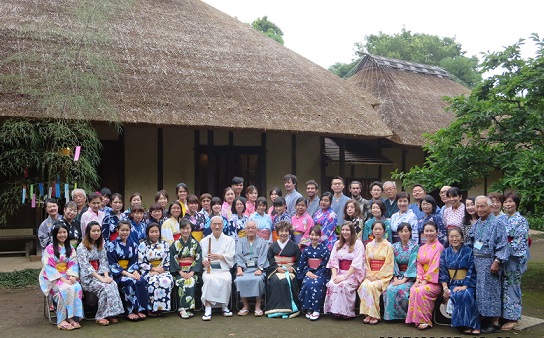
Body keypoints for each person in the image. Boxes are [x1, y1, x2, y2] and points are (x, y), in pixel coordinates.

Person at [470, 196, 508, 334]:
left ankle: (495, 322)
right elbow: (473, 241)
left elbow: (503, 245)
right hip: (478, 262)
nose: (479, 209)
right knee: (481, 291)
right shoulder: (477, 223)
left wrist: (497, 261)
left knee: (492, 291)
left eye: (483, 206)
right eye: (477, 206)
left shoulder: (497, 223)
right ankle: (485, 318)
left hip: (490, 262)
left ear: (490, 207)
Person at [76, 221, 124, 326]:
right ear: (88, 232)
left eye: (98, 230)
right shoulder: (81, 247)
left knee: (112, 284)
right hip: (88, 278)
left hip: (101, 274)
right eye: (93, 231)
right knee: (104, 287)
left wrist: (106, 277)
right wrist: (101, 279)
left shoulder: (100, 244)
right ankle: (100, 315)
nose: (96, 233)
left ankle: (110, 313)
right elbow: (86, 267)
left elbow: (104, 262)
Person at [39, 221, 83, 330]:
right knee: (65, 288)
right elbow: (48, 266)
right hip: (52, 277)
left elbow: (73, 263)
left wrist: (73, 276)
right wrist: (62, 279)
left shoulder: (71, 248)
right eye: (59, 233)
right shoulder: (49, 249)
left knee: (77, 287)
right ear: (54, 234)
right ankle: (61, 319)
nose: (62, 235)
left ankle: (72, 317)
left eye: (64, 232)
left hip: (67, 275)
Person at [439, 227, 480, 335]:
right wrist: (445, 288)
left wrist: (465, 286)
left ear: (462, 238)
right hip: (453, 283)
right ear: (448, 238)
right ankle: (462, 325)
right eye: (451, 236)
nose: (454, 239)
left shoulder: (469, 251)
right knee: (457, 294)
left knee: (466, 294)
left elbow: (472, 270)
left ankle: (474, 325)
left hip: (467, 283)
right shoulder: (445, 252)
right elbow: (443, 273)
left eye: (457, 236)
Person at [405, 221, 444, 330]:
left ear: (436, 232)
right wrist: (419, 279)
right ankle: (415, 319)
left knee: (420, 290)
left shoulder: (439, 247)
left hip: (433, 282)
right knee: (414, 289)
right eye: (427, 231)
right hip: (422, 279)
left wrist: (426, 280)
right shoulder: (422, 247)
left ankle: (425, 320)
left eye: (432, 231)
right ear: (423, 232)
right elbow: (419, 264)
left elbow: (435, 266)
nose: (429, 233)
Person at [107, 220, 148, 321]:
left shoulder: (133, 245)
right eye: (122, 230)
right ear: (117, 230)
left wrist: (135, 272)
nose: (125, 232)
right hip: (118, 274)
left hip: (130, 271)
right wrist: (127, 274)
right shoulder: (111, 245)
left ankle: (139, 309)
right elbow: (112, 264)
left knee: (140, 280)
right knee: (130, 281)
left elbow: (134, 261)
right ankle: (129, 311)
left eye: (127, 230)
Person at [324, 222, 365, 319]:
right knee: (332, 284)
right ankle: (335, 311)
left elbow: (357, 263)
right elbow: (333, 261)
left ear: (352, 231)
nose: (344, 232)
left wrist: (344, 277)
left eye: (347, 230)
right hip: (339, 272)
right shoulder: (338, 243)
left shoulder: (358, 244)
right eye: (343, 230)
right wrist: (334, 276)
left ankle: (346, 312)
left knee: (343, 285)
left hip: (353, 274)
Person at [501, 192, 529, 331]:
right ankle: (504, 315)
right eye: (505, 202)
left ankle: (513, 317)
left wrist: (502, 253)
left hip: (513, 259)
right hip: (502, 258)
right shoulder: (503, 219)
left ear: (516, 203)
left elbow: (519, 241)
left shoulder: (521, 220)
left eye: (511, 201)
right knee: (504, 287)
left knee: (512, 287)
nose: (508, 204)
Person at [200, 216, 236, 321]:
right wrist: (205, 262)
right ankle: (208, 307)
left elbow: (231, 256)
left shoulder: (230, 240)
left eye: (219, 224)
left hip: (223, 269)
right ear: (210, 226)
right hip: (210, 270)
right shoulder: (204, 241)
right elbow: (202, 257)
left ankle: (224, 306)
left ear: (223, 225)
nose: (217, 226)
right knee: (208, 279)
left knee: (226, 279)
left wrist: (220, 257)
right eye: (214, 224)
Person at [358, 220, 394, 324]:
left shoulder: (388, 246)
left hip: (382, 276)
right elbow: (366, 262)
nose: (377, 231)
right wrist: (370, 275)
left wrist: (377, 276)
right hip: (370, 274)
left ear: (384, 231)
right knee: (364, 286)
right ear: (372, 231)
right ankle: (368, 314)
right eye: (375, 229)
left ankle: (374, 315)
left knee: (372, 286)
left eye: (380, 229)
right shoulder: (368, 245)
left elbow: (389, 263)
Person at [265, 221, 302, 318]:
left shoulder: (294, 246)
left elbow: (299, 261)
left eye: (286, 231)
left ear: (289, 232)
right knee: (276, 280)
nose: (284, 233)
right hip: (277, 269)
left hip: (289, 270)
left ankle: (291, 308)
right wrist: (276, 268)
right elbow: (270, 260)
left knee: (289, 279)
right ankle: (276, 308)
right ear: (277, 232)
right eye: (281, 231)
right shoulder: (272, 246)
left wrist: (293, 268)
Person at [383, 222, 419, 321]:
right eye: (401, 231)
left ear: (410, 233)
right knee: (389, 289)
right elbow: (393, 262)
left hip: (410, 276)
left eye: (406, 231)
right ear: (398, 233)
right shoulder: (394, 247)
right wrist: (395, 277)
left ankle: (404, 316)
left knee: (400, 290)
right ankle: (391, 316)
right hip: (397, 275)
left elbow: (413, 264)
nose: (404, 233)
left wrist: (403, 280)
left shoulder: (415, 246)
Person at [138, 222, 173, 316]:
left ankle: (162, 308)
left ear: (159, 232)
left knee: (166, 280)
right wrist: (152, 269)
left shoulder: (165, 244)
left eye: (156, 231)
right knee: (153, 281)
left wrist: (163, 269)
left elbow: (168, 260)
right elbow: (141, 262)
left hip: (162, 270)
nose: (154, 234)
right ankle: (151, 308)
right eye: (152, 232)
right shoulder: (143, 245)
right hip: (149, 271)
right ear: (147, 233)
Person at [234, 220, 269, 317]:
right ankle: (245, 305)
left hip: (257, 268)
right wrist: (239, 268)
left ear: (257, 230)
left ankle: (258, 305)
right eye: (248, 228)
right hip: (244, 269)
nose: (250, 230)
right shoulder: (240, 241)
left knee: (258, 279)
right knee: (239, 280)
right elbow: (238, 255)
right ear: (245, 229)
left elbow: (263, 256)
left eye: (253, 227)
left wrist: (260, 268)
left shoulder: (263, 242)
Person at [170, 218, 203, 319]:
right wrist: (180, 272)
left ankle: (188, 308)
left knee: (191, 280)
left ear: (190, 229)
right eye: (183, 229)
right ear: (180, 230)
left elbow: (198, 258)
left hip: (192, 272)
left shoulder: (195, 243)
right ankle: (182, 309)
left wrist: (192, 272)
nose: (185, 231)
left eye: (187, 228)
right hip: (179, 272)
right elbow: (173, 259)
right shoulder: (175, 244)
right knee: (181, 281)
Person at [297, 226, 331, 321]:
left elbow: (327, 264)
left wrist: (319, 273)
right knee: (307, 283)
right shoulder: (306, 250)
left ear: (320, 236)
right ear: (309, 236)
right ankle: (308, 308)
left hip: (322, 274)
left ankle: (316, 310)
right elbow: (302, 264)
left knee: (316, 284)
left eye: (316, 235)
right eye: (312, 235)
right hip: (309, 273)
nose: (314, 237)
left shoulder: (325, 249)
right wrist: (306, 272)